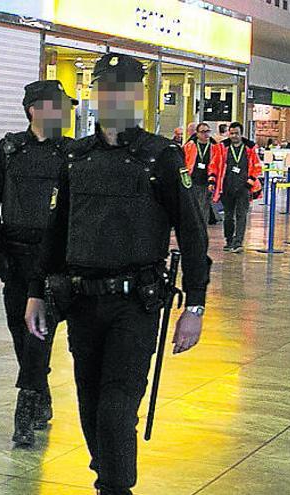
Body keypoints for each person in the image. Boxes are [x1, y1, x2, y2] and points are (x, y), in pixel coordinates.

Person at [24, 53, 210, 495]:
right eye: (105, 88)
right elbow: (55, 229)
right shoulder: (75, 157)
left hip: (135, 303)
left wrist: (195, 305)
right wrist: (35, 291)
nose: (113, 98)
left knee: (116, 407)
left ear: (137, 96)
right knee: (89, 403)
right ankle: (105, 477)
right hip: (82, 301)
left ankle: (115, 488)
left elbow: (192, 233)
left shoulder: (160, 157)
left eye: (123, 89)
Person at [0, 80, 76, 446]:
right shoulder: (10, 148)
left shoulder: (73, 152)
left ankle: (26, 406)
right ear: (34, 109)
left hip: (54, 260)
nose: (65, 113)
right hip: (15, 258)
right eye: (58, 105)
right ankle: (41, 392)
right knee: (20, 331)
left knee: (38, 334)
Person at [209, 122, 262, 253]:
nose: (234, 136)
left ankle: (238, 242)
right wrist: (212, 180)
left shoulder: (249, 148)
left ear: (241, 134)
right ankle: (229, 240)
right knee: (228, 216)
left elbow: (256, 166)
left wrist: (250, 181)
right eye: (231, 133)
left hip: (244, 187)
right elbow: (214, 164)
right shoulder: (222, 148)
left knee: (241, 215)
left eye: (236, 133)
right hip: (227, 187)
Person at [182, 122, 224, 225]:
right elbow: (183, 162)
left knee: (204, 207)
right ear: (197, 133)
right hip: (192, 181)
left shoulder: (215, 147)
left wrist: (213, 181)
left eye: (207, 131)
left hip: (207, 182)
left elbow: (217, 165)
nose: (206, 134)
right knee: (191, 207)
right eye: (203, 132)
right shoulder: (189, 146)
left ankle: (201, 229)